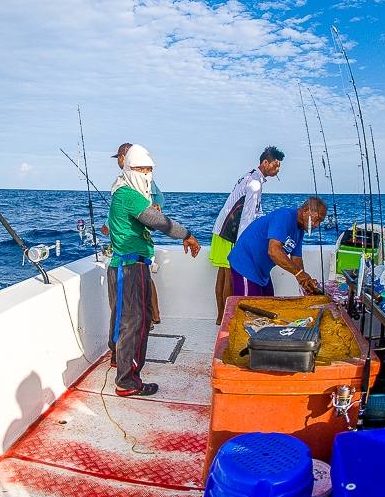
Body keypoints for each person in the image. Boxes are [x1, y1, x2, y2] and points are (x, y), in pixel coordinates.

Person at [106, 144, 200, 397]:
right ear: (131, 170)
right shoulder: (129, 195)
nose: (147, 175)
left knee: (127, 319)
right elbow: (159, 222)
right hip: (129, 268)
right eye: (142, 170)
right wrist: (187, 234)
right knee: (135, 322)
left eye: (150, 170)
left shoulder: (122, 192)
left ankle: (120, 361)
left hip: (127, 265)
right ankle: (127, 381)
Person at [210, 146, 285, 323]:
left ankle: (221, 317)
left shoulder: (248, 176)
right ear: (265, 162)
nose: (278, 169)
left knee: (223, 273)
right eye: (276, 165)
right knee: (230, 274)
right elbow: (247, 216)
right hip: (231, 233)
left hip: (221, 229)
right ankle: (227, 318)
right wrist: (243, 243)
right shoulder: (255, 183)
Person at [104, 142, 162, 324]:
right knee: (143, 281)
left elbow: (157, 198)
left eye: (120, 157)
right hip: (136, 242)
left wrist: (156, 208)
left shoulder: (136, 180)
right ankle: (150, 317)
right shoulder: (123, 182)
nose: (119, 161)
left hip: (133, 248)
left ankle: (151, 317)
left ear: (124, 158)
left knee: (140, 284)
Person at [226, 197, 326, 298]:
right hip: (245, 264)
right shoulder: (284, 216)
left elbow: (296, 258)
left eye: (320, 222)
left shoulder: (300, 231)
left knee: (269, 303)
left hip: (262, 272)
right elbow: (273, 251)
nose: (317, 225)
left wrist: (305, 281)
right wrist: (299, 274)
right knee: (250, 309)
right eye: (317, 219)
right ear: (306, 211)